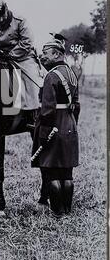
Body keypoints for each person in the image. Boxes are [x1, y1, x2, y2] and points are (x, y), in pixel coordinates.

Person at [31, 36, 80, 217]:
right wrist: (72, 126)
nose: (43, 57)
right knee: (67, 172)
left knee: (51, 171)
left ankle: (57, 212)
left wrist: (43, 133)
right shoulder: (72, 74)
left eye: (46, 54)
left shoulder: (52, 76)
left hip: (54, 126)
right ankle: (67, 210)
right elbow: (77, 105)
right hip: (69, 125)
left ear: (57, 54)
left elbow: (48, 109)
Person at [0, 0, 43, 121]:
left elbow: (27, 42)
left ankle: (33, 113)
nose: (0, 19)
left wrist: (11, 54)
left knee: (30, 80)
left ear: (6, 9)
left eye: (2, 15)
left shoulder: (19, 20)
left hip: (21, 56)